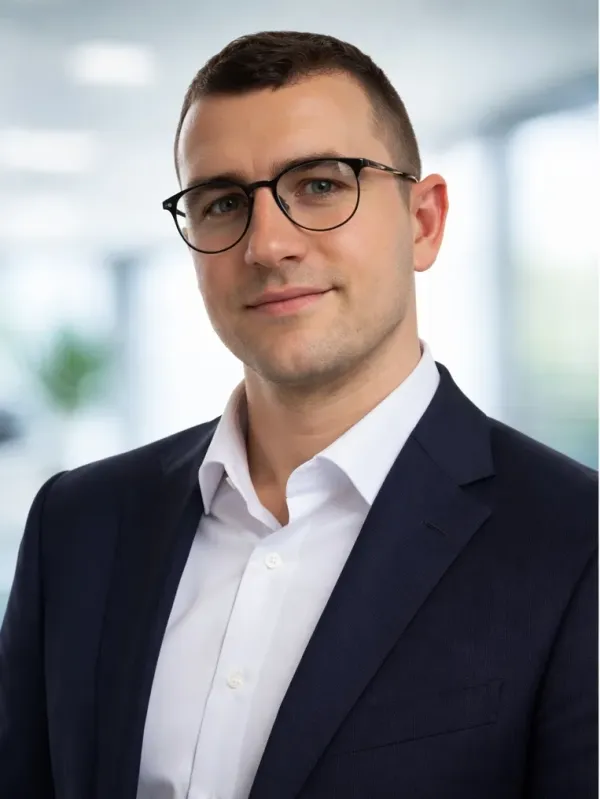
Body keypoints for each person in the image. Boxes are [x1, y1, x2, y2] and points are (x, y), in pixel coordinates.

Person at [0, 29, 597, 799]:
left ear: (423, 221)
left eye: (319, 184)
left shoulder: (576, 542)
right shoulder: (77, 524)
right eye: (222, 203)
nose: (268, 244)